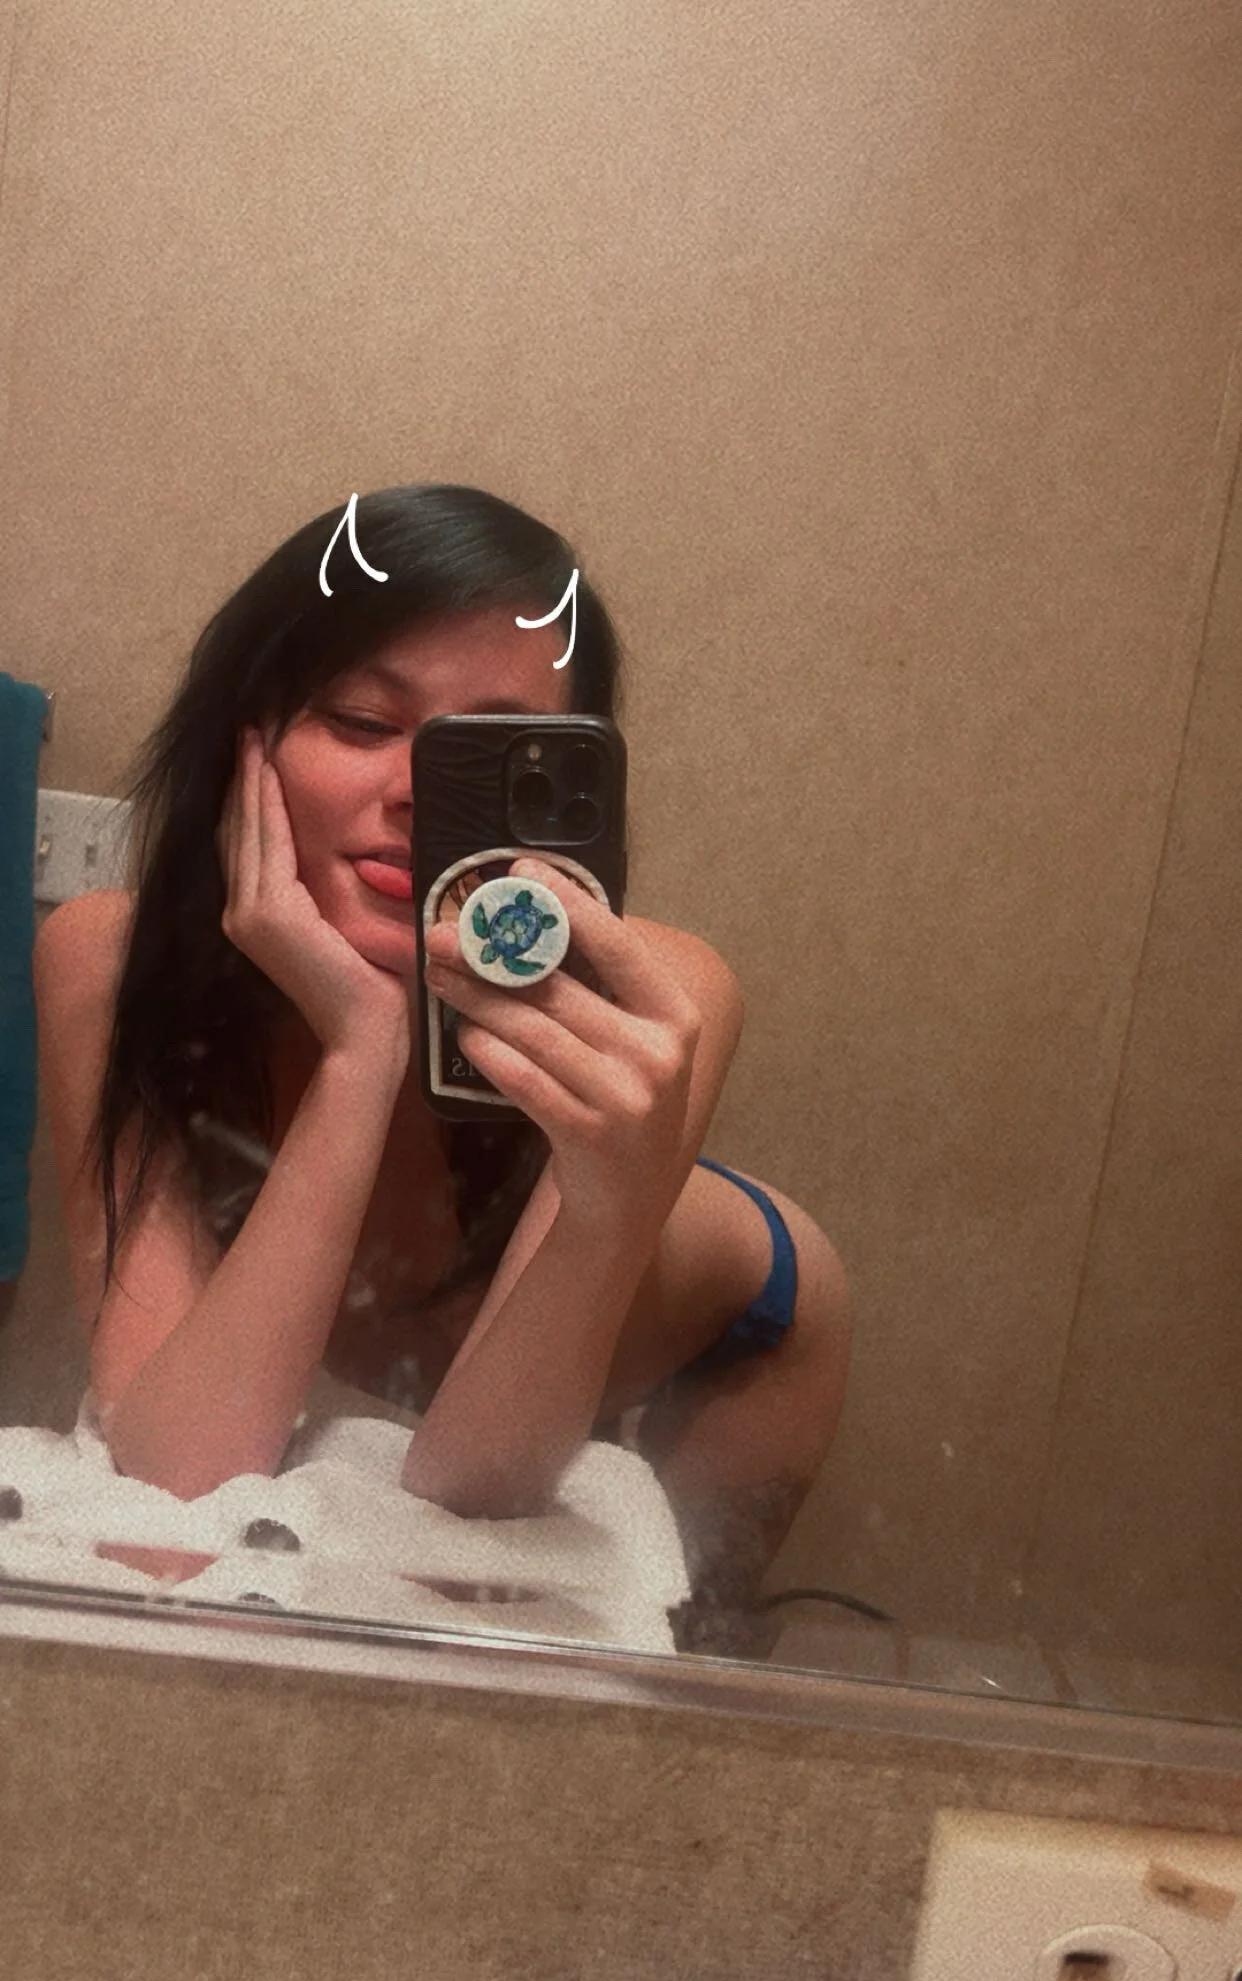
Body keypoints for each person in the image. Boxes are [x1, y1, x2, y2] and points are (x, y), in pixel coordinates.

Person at [34, 483, 852, 1648]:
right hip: (459, 1308)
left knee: (677, 1672)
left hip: (742, 1332)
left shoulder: (658, 998)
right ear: (245, 745)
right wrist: (362, 1052)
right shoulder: (110, 964)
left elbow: (478, 1489)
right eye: (362, 722)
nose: (418, 790)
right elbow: (181, 1466)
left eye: (492, 752)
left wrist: (608, 1209)